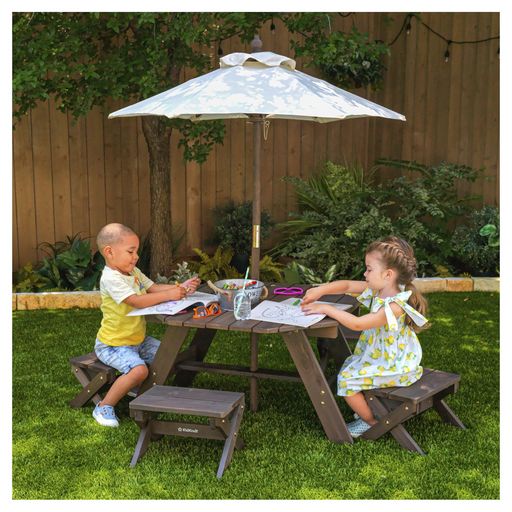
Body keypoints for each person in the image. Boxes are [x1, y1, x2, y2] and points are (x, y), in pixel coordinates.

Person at [301, 236, 428, 438]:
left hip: (396, 364)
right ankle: (370, 412)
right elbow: (346, 286)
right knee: (349, 366)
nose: (365, 274)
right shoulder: (381, 289)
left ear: (388, 274)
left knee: (346, 381)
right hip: (383, 356)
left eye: (369, 269)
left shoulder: (395, 306)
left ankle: (371, 422)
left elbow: (358, 324)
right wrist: (321, 290)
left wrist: (326, 308)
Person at [92, 223, 201, 427]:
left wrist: (181, 288)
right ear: (109, 252)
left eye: (136, 252)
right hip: (114, 345)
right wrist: (170, 295)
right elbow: (136, 301)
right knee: (139, 370)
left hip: (137, 340)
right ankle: (104, 406)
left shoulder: (133, 272)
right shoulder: (111, 278)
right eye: (130, 251)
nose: (136, 257)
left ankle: (137, 389)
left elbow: (154, 288)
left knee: (169, 356)